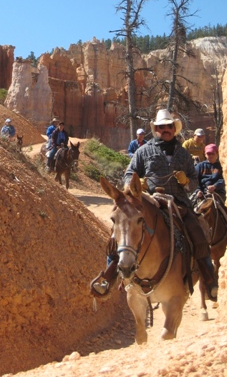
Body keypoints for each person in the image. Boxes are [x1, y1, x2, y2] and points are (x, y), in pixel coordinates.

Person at [91, 109, 218, 302]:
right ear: (156, 129)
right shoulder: (143, 151)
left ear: (174, 129)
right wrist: (134, 184)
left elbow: (194, 180)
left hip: (178, 203)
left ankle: (210, 280)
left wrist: (186, 182)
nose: (165, 129)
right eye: (161, 127)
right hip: (149, 201)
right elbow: (129, 173)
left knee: (198, 233)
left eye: (168, 126)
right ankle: (108, 278)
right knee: (120, 232)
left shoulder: (184, 154)